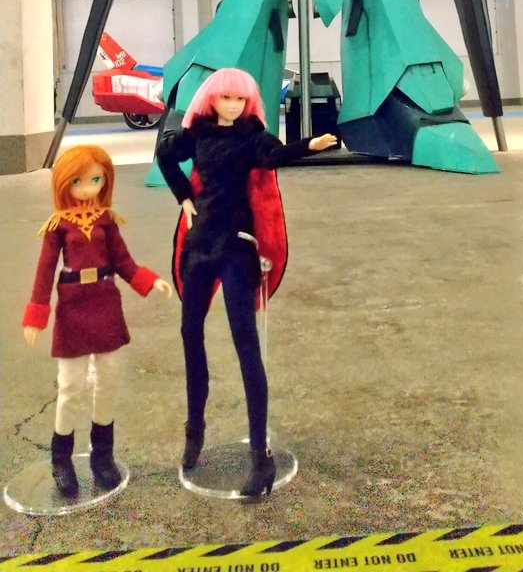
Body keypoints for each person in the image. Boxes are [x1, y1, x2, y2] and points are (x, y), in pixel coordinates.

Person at [156, 67, 337, 496]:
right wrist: (183, 196)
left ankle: (261, 455)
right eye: (227, 98)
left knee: (246, 342)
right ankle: (194, 430)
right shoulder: (197, 134)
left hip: (237, 247)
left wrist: (308, 146)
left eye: (241, 99)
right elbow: (165, 153)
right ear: (211, 99)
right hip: (200, 247)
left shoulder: (251, 136)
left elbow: (276, 155)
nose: (234, 105)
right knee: (190, 335)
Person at [22, 145, 172, 499]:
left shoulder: (107, 221)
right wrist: (37, 314)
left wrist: (149, 280)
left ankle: (102, 456)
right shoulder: (58, 226)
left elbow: (124, 262)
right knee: (71, 386)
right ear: (64, 182)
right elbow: (45, 271)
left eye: (95, 179)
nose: (88, 188)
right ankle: (61, 459)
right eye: (78, 181)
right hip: (73, 308)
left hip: (106, 304)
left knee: (108, 381)